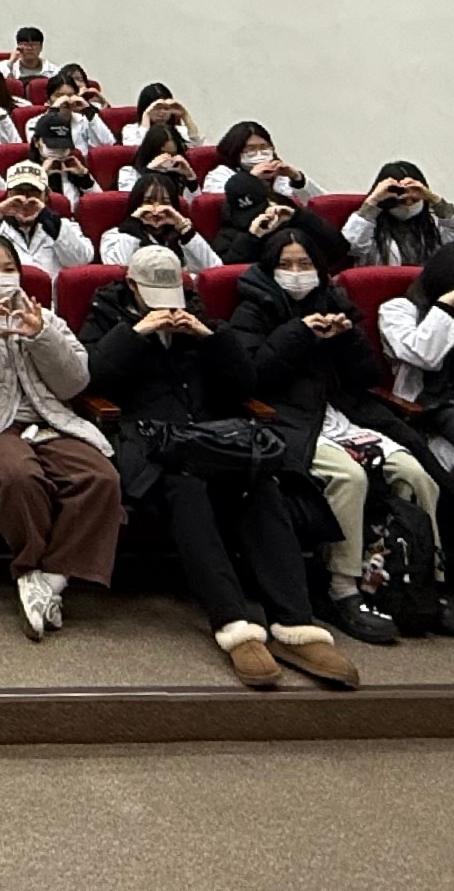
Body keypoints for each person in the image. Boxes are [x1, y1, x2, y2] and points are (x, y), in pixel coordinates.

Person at [87, 244, 357, 689]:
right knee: (187, 489)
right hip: (151, 446)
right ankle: (234, 624)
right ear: (131, 286)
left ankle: (296, 624)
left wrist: (210, 338)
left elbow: (244, 384)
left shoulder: (200, 316)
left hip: (214, 439)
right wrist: (136, 333)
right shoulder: (105, 316)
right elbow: (92, 379)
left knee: (261, 484)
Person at [232, 226, 448, 645]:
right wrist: (298, 334)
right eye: (286, 265)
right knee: (350, 478)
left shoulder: (335, 301)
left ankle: (423, 579)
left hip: (344, 415)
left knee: (415, 474)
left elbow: (366, 376)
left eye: (305, 264)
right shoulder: (253, 308)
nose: (297, 273)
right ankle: (343, 588)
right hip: (289, 419)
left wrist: (345, 338)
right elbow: (251, 376)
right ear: (271, 269)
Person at [0, 233, 123, 641]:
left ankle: (48, 579)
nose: (1, 277)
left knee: (101, 478)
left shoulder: (42, 315)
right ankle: (31, 565)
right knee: (18, 477)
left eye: (8, 269)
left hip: (49, 420)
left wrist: (42, 336)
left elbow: (75, 383)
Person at [345, 160, 454, 268]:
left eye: (415, 200)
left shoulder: (433, 225)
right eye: (402, 201)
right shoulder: (370, 227)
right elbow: (350, 245)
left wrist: (434, 199)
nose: (409, 205)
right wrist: (373, 202)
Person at [0, 162, 96, 273]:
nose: (25, 200)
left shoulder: (63, 226)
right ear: (8, 195)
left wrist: (51, 222)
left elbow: (82, 260)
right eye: (18, 192)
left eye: (33, 192)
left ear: (46, 196)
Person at [98, 171, 217, 272]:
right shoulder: (115, 237)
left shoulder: (183, 237)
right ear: (137, 203)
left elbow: (214, 270)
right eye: (148, 202)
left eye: (165, 202)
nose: (157, 209)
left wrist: (186, 231)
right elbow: (118, 271)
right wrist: (134, 223)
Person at [201, 120, 317, 203]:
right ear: (235, 151)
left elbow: (315, 202)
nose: (259, 153)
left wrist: (297, 178)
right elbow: (226, 208)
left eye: (264, 147)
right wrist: (251, 179)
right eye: (251, 149)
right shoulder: (220, 176)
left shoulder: (280, 173)